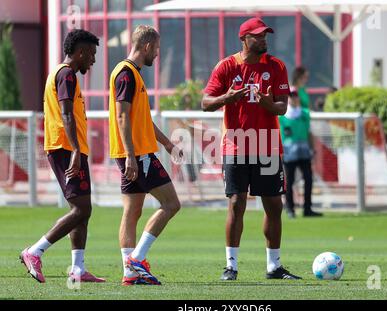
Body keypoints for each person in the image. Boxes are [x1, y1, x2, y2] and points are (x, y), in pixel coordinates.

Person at [201, 17, 300, 281]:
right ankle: (231, 266)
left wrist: (268, 103)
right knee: (236, 202)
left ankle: (274, 266)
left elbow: (282, 108)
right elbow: (205, 102)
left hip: (267, 144)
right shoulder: (227, 66)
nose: (264, 39)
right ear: (244, 39)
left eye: (265, 35)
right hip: (235, 144)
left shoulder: (277, 66)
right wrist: (227, 98)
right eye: (258, 35)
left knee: (273, 205)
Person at [20, 29, 105, 283]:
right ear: (79, 52)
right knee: (81, 209)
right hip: (66, 148)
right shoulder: (66, 74)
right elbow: (66, 114)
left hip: (69, 148)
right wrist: (76, 150)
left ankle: (77, 269)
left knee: (82, 209)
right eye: (91, 54)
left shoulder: (63, 74)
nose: (92, 60)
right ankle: (34, 252)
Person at [109, 25, 182, 286]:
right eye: (158, 49)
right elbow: (121, 116)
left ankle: (130, 273)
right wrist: (130, 156)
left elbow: (143, 121)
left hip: (133, 153)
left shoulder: (132, 74)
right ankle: (136, 260)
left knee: (132, 211)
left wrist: (169, 145)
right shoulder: (127, 74)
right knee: (172, 204)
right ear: (148, 47)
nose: (158, 54)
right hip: (137, 155)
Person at [279, 88, 322, 218]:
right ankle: (290, 208)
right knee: (289, 181)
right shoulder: (281, 116)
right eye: (290, 96)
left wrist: (313, 148)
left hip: (303, 151)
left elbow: (309, 132)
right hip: (288, 152)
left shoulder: (304, 113)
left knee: (308, 179)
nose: (293, 98)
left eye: (295, 96)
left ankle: (307, 208)